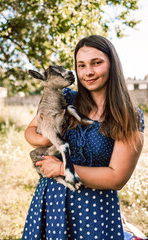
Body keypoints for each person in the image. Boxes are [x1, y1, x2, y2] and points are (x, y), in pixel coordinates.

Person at [22, 35, 145, 240]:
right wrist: (45, 140)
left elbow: (117, 178)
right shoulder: (66, 98)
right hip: (50, 202)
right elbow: (31, 130)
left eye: (96, 63)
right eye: (81, 65)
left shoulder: (128, 115)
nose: (88, 72)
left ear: (112, 65)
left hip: (94, 211)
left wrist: (62, 168)